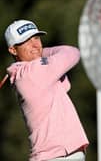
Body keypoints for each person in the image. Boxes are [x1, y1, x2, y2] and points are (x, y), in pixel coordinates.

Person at [5, 19, 89, 161]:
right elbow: (72, 52)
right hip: (56, 157)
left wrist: (39, 54)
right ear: (13, 50)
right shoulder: (33, 72)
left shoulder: (32, 72)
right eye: (26, 41)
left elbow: (65, 84)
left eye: (36, 38)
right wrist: (43, 52)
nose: (35, 44)